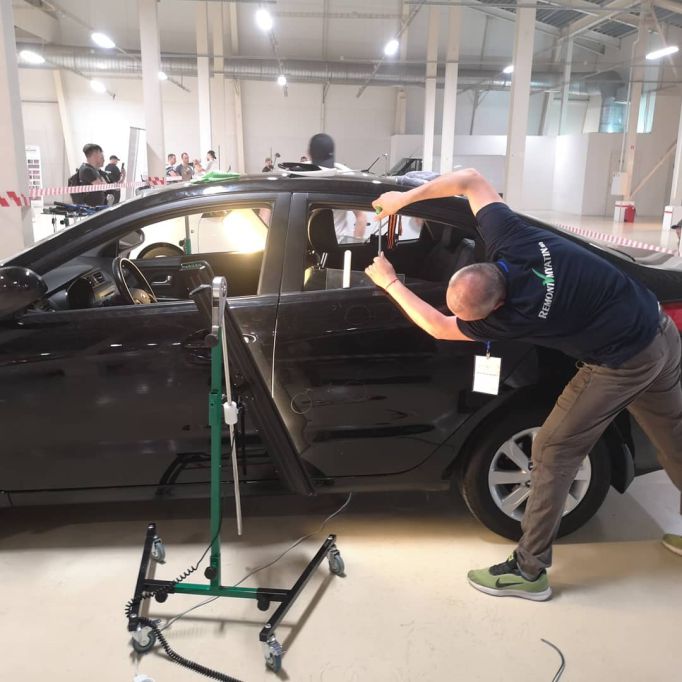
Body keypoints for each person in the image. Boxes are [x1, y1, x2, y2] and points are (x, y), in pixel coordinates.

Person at [365, 168, 682, 601]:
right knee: (675, 437)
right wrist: (402, 200)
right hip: (660, 330)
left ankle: (529, 570)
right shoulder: (512, 238)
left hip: (623, 361)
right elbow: (471, 180)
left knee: (553, 449)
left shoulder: (514, 317)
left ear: (497, 306)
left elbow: (438, 326)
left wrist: (389, 282)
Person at [307, 132, 366, 241]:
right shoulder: (301, 175)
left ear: (309, 153)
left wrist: (355, 244)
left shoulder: (345, 176)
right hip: (305, 244)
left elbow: (360, 216)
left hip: (339, 244)